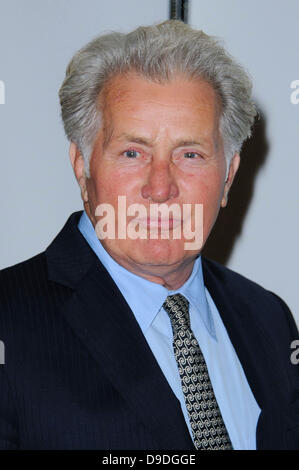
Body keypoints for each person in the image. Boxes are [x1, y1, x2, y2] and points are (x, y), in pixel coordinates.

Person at [0, 20, 298, 451]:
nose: (160, 188)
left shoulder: (270, 320)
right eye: (132, 152)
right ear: (82, 166)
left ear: (228, 176)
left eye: (190, 154)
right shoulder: (10, 323)